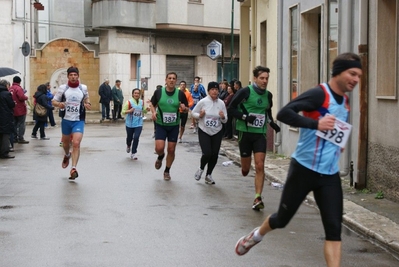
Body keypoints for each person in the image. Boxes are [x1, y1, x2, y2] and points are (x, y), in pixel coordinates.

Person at [235, 53, 363, 267]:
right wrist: (317, 124)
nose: (356, 79)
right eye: (352, 73)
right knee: (282, 219)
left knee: (334, 229)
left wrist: (338, 145)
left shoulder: (346, 101)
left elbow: (337, 129)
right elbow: (285, 113)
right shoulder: (319, 94)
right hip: (303, 169)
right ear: (338, 72)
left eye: (359, 75)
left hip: (329, 174)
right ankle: (256, 235)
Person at [228, 66, 280, 210]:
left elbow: (267, 112)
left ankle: (258, 197)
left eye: (266, 78)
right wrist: (245, 117)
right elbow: (231, 109)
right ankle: (245, 168)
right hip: (245, 133)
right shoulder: (245, 92)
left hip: (260, 134)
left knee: (259, 165)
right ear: (255, 78)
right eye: (262, 78)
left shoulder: (268, 95)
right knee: (245, 169)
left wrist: (272, 124)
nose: (264, 81)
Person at [52, 66, 91, 180]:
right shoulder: (63, 88)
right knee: (66, 144)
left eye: (75, 75)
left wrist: (87, 103)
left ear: (78, 76)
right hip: (66, 120)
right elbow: (54, 101)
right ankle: (67, 155)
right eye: (71, 75)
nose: (73, 77)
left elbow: (87, 99)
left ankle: (73, 168)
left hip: (79, 120)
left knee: (76, 143)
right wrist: (59, 104)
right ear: (68, 76)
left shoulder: (83, 88)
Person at [150, 72, 189, 181]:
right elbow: (152, 104)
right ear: (166, 80)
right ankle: (160, 156)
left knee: (171, 150)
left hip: (174, 126)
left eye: (174, 79)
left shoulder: (180, 94)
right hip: (161, 124)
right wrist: (153, 112)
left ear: (176, 81)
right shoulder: (159, 92)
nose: (171, 80)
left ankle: (167, 170)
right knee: (159, 148)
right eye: (169, 78)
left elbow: (187, 108)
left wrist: (184, 107)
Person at [192, 82, 227, 185]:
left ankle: (209, 175)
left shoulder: (221, 103)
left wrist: (223, 117)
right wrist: (200, 115)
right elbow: (193, 113)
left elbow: (225, 119)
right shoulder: (203, 102)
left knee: (214, 154)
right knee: (207, 153)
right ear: (208, 91)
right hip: (204, 130)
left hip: (217, 131)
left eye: (216, 89)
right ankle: (201, 169)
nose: (214, 91)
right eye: (212, 89)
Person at [122, 88, 144, 160]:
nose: (137, 94)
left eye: (138, 93)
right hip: (130, 124)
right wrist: (130, 111)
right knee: (130, 138)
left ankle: (133, 153)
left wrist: (147, 110)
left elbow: (143, 110)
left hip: (139, 123)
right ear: (132, 94)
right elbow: (122, 112)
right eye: (135, 93)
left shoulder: (141, 102)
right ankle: (128, 145)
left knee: (136, 138)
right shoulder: (129, 102)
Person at [9, 76, 29, 144]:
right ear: (19, 81)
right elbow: (21, 97)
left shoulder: (10, 88)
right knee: (21, 124)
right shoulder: (18, 88)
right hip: (20, 108)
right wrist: (26, 97)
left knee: (14, 123)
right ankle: (21, 138)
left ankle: (14, 137)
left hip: (13, 108)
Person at [0, 79, 15, 159]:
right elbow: (11, 104)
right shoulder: (7, 94)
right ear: (6, 85)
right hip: (5, 117)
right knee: (6, 135)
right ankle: (4, 152)